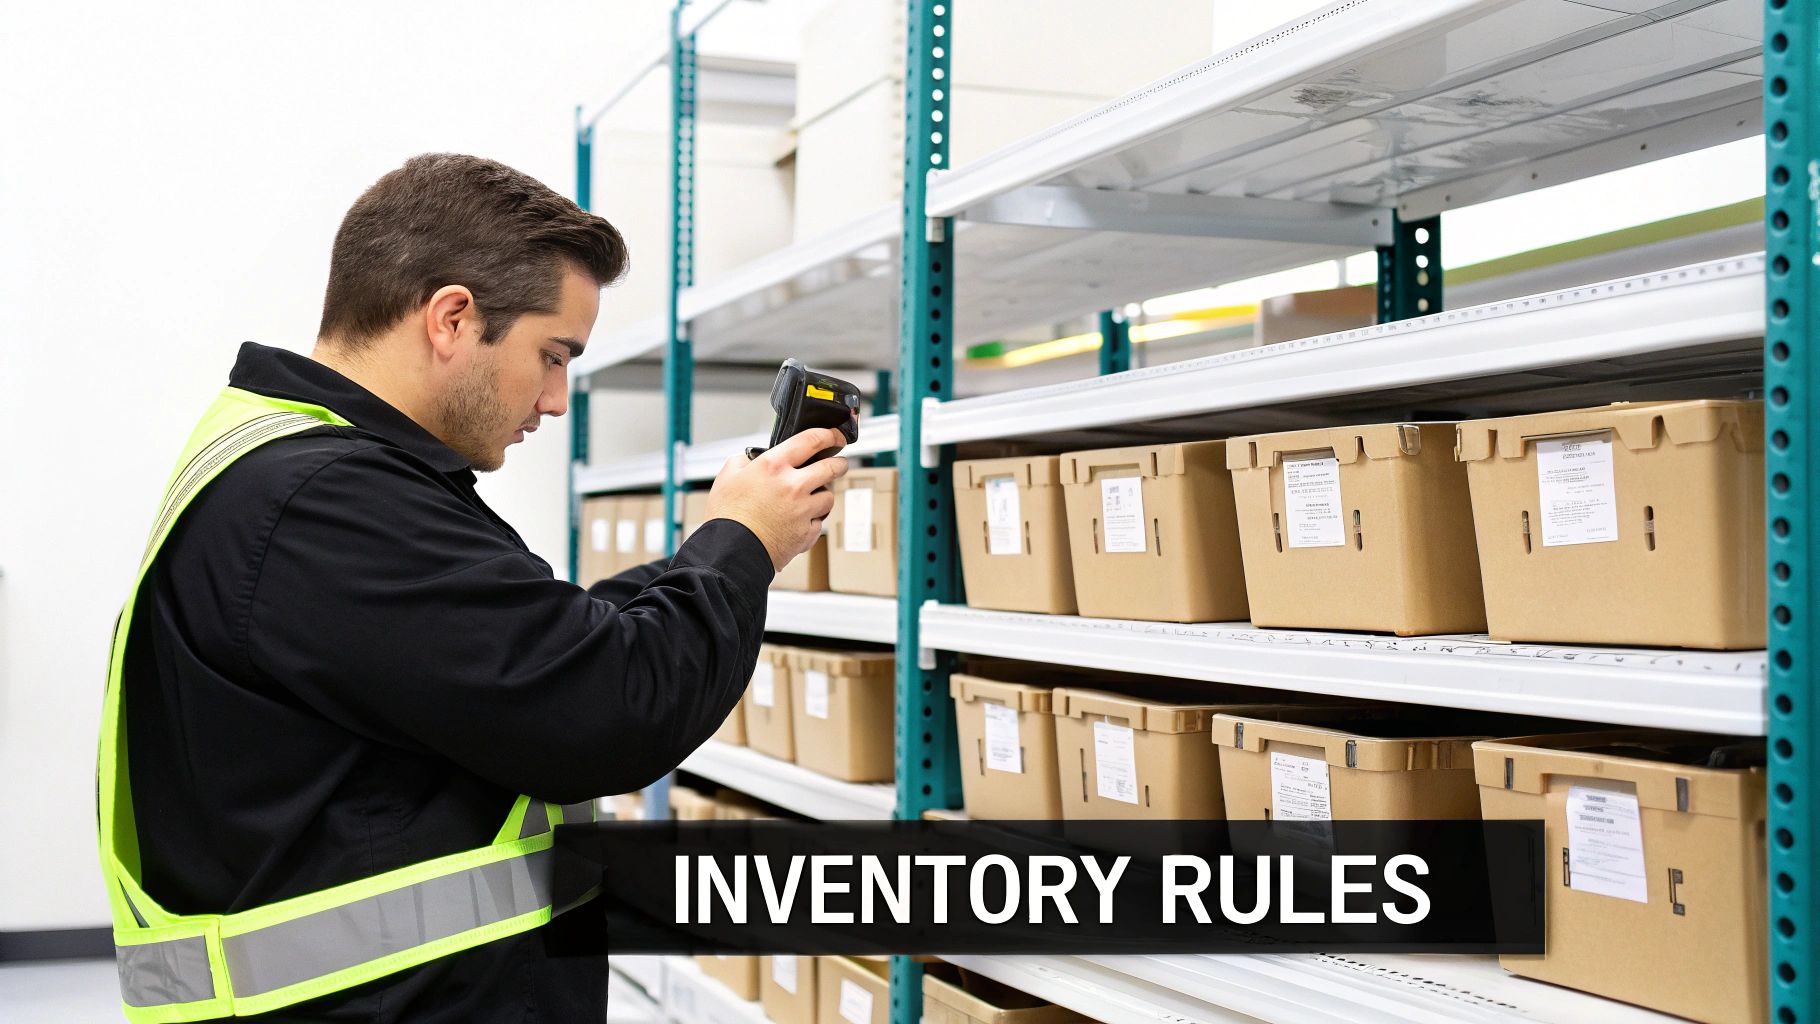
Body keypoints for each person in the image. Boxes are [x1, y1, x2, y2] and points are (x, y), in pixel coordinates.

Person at [98, 153, 847, 1023]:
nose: (558, 398)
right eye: (553, 354)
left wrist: (720, 545)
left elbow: (529, 651)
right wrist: (739, 547)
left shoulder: (315, 476)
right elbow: (608, 710)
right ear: (453, 318)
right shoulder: (325, 503)